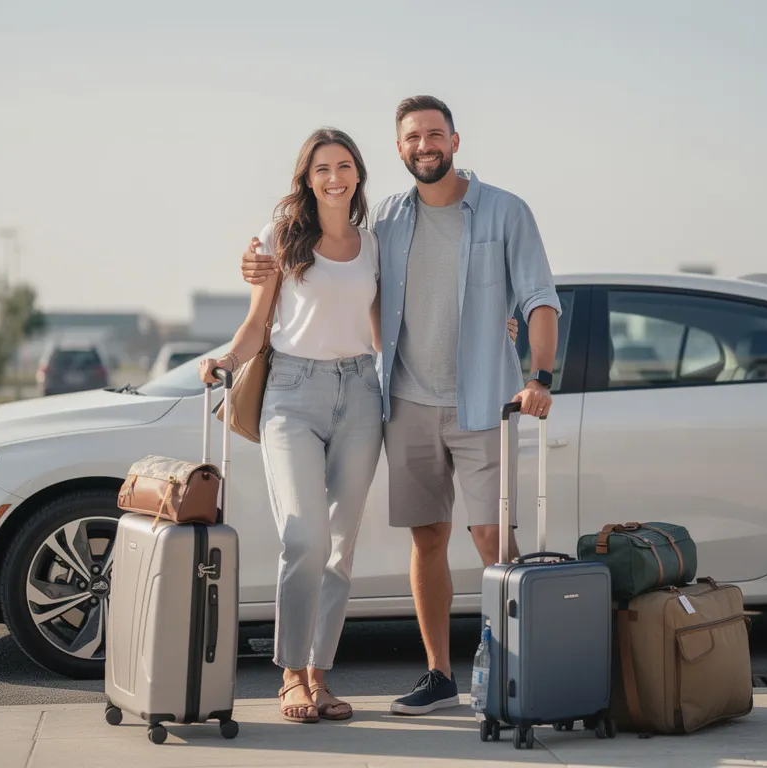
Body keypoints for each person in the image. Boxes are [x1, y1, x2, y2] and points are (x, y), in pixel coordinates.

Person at [240, 95, 562, 717]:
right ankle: (439, 675)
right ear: (398, 149)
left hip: (483, 405)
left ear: (456, 140)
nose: (425, 145)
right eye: (413, 137)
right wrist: (253, 261)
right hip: (404, 402)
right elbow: (323, 266)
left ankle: (519, 677)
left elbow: (540, 298)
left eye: (435, 134)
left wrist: (540, 375)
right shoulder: (386, 219)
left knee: (495, 539)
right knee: (428, 539)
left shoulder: (504, 211)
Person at [201, 127, 384, 724]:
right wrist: (227, 360)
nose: (335, 177)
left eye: (345, 166)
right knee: (303, 537)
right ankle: (289, 674)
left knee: (339, 547)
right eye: (323, 169)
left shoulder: (374, 244)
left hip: (360, 392)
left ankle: (319, 678)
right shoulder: (283, 237)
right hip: (291, 395)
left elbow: (384, 331)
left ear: (358, 173)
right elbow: (257, 325)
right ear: (307, 179)